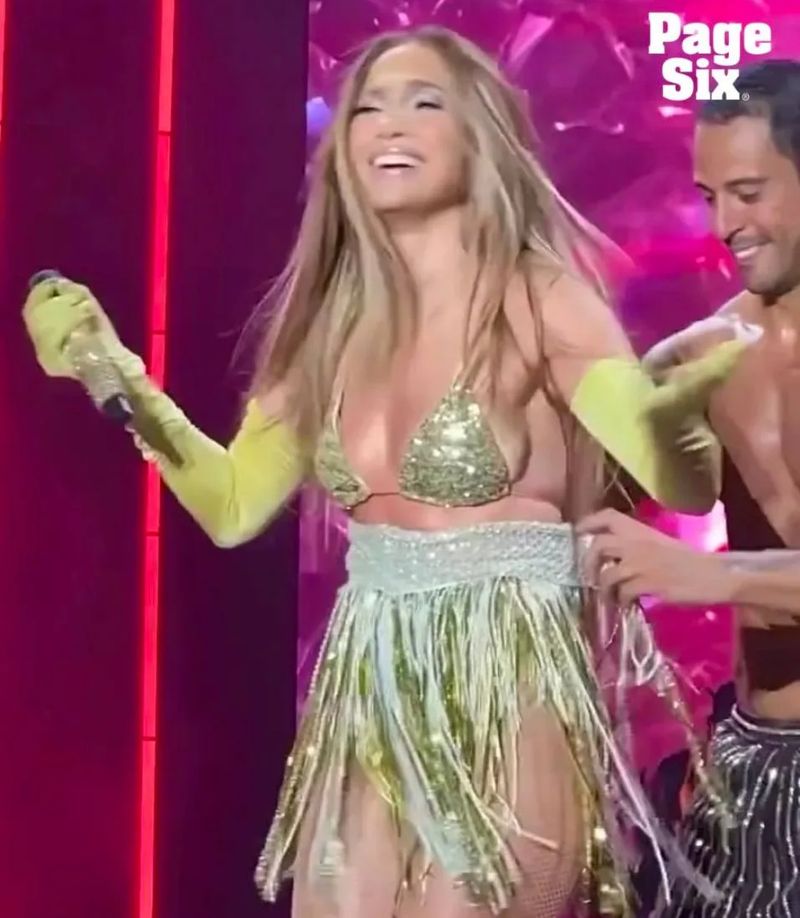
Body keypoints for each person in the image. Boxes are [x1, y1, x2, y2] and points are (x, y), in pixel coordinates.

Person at [23, 27, 743, 918]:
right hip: (370, 686)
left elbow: (678, 484)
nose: (388, 125)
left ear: (480, 135)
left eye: (423, 102)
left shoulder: (538, 297)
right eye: (367, 107)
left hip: (507, 680)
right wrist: (120, 379)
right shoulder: (328, 322)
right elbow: (235, 505)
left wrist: (677, 428)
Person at [580, 60, 800, 918]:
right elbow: (583, 508)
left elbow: (702, 571)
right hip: (748, 766)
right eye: (710, 197)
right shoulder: (700, 356)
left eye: (748, 193)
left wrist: (712, 575)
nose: (724, 226)